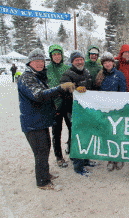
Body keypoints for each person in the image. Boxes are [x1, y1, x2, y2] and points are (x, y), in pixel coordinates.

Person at [18, 48, 75, 190]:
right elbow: (39, 95)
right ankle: (43, 182)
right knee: (41, 151)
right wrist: (60, 88)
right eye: (36, 61)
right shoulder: (27, 78)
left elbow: (46, 96)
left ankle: (45, 174)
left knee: (45, 148)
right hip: (32, 123)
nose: (40, 64)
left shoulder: (38, 77)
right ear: (29, 62)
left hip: (40, 122)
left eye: (42, 61)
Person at [60, 50, 97, 176]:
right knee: (77, 136)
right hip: (72, 110)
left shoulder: (86, 72)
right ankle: (78, 165)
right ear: (72, 62)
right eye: (77, 60)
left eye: (81, 59)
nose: (80, 62)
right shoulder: (67, 74)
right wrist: (74, 90)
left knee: (86, 135)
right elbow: (63, 90)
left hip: (85, 110)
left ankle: (85, 160)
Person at [95, 52, 127, 172]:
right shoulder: (99, 76)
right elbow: (96, 93)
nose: (107, 64)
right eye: (105, 62)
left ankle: (118, 157)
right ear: (102, 64)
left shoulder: (119, 75)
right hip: (104, 110)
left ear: (113, 63)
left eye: (109, 61)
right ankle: (110, 158)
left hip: (117, 110)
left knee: (118, 134)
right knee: (107, 134)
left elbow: (123, 92)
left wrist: (120, 107)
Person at [47, 44, 71, 168]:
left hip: (67, 103)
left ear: (62, 55)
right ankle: (59, 156)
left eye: (58, 54)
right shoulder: (47, 69)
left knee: (72, 127)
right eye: (54, 54)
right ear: (51, 56)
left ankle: (71, 147)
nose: (57, 56)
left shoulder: (67, 68)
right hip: (54, 105)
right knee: (57, 132)